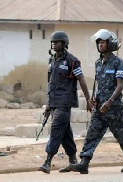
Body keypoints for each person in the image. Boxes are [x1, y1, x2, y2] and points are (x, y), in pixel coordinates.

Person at [69, 29, 123, 174]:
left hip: (113, 107)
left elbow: (120, 85)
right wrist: (93, 98)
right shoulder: (98, 63)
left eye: (103, 42)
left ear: (110, 44)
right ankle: (84, 162)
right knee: (92, 133)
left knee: (122, 134)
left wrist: (110, 101)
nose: (100, 45)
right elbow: (98, 83)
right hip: (99, 107)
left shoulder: (117, 63)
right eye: (99, 42)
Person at [38, 31, 92, 174]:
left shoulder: (72, 61)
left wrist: (88, 100)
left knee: (56, 129)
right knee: (65, 131)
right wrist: (48, 104)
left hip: (65, 102)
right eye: (53, 42)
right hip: (54, 103)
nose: (54, 44)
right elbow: (50, 83)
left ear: (64, 44)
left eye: (57, 42)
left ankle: (47, 161)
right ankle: (73, 160)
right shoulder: (51, 60)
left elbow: (82, 79)